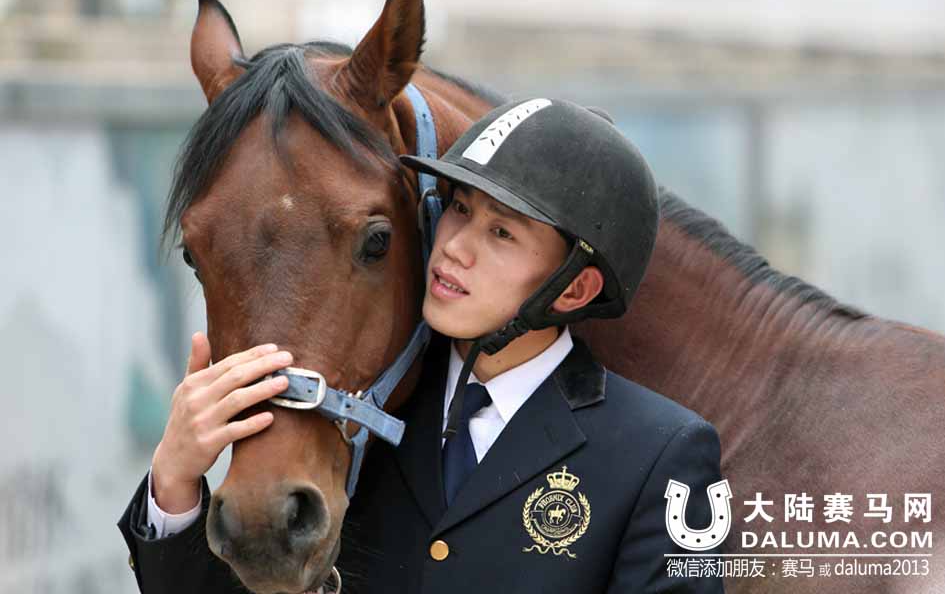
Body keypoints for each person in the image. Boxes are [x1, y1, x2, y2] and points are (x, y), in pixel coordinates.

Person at [118, 98, 725, 593]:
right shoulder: (352, 417)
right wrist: (174, 480)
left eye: (501, 232)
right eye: (459, 208)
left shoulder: (663, 457)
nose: (454, 246)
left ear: (574, 288)